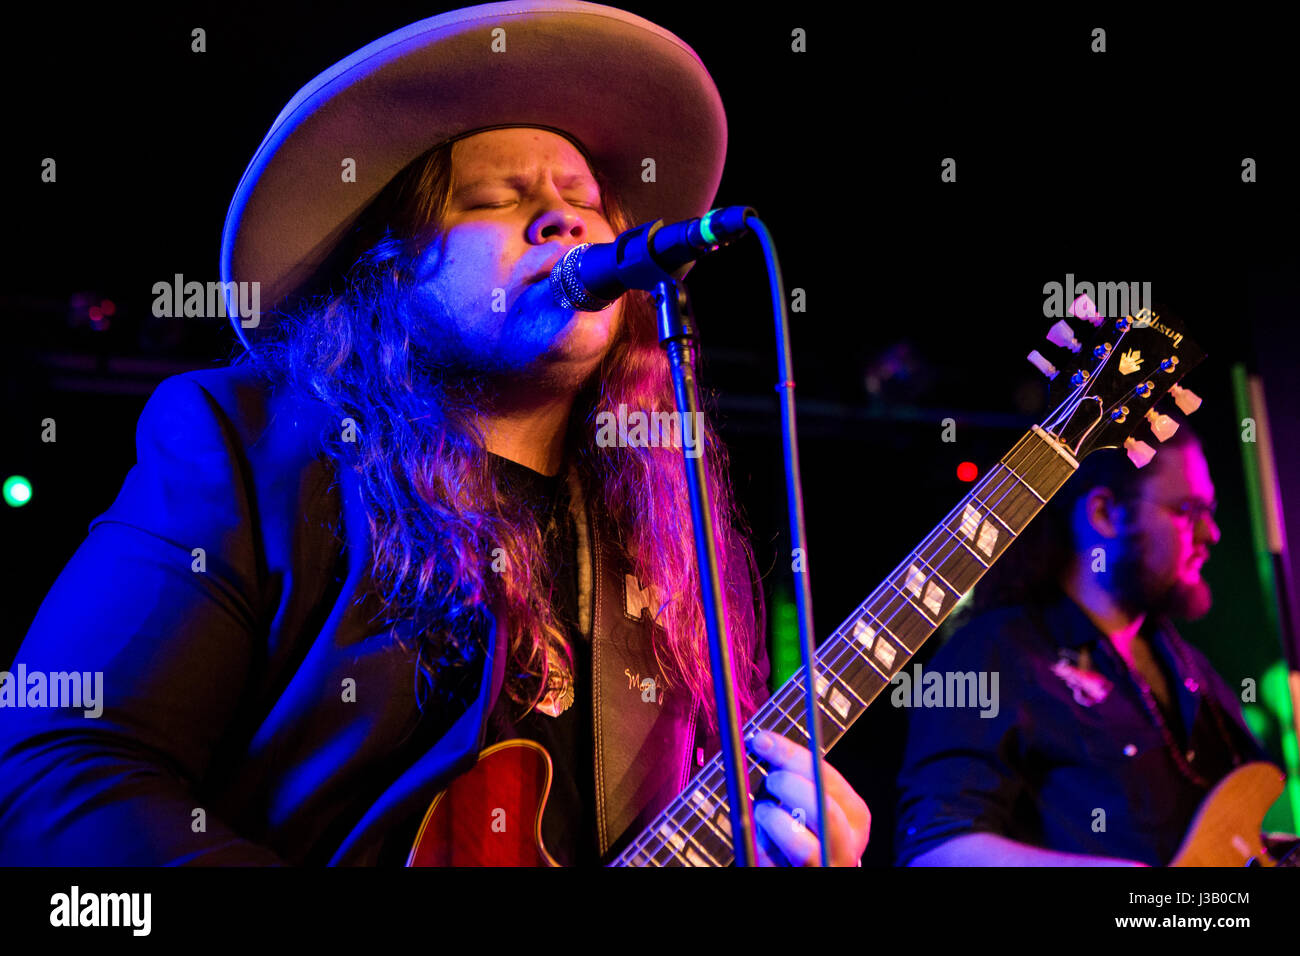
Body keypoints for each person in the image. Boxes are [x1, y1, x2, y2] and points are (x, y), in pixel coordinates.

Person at [0, 2, 869, 867]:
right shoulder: (248, 446)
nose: (565, 223)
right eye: (498, 198)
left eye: (587, 204)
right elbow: (57, 779)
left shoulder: (671, 544)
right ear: (388, 265)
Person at [894, 413, 1276, 866]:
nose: (1210, 534)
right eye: (1187, 511)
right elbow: (936, 850)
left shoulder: (1189, 666)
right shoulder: (990, 652)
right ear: (1103, 515)